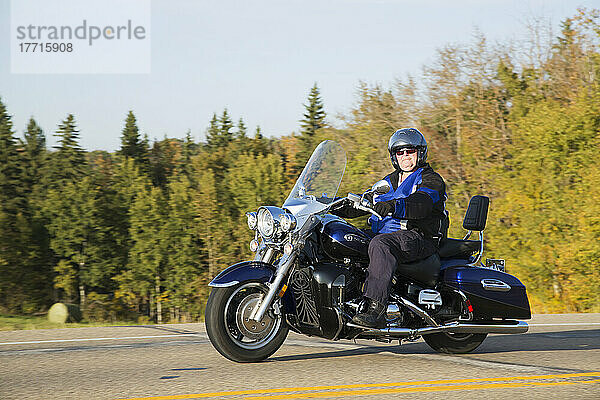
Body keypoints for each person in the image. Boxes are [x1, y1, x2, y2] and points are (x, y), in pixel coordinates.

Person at [334, 128, 448, 328]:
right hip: (390, 236)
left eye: (410, 151)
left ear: (420, 153)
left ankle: (376, 309)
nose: (405, 156)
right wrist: (330, 205)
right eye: (400, 152)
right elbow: (364, 202)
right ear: (394, 156)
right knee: (345, 238)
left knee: (380, 244)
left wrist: (393, 206)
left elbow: (422, 203)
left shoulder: (431, 179)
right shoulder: (388, 182)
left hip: (419, 237)